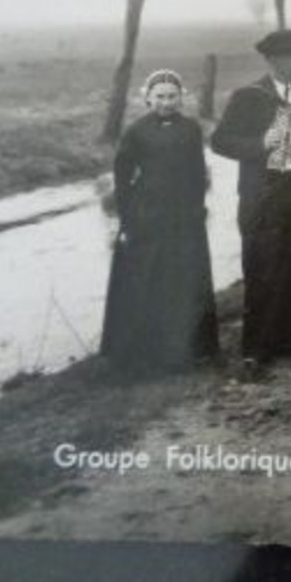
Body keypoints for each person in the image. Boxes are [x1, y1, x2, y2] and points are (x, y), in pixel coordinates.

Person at [210, 28, 291, 370]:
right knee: (261, 270)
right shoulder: (249, 96)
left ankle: (286, 339)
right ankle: (256, 349)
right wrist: (261, 144)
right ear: (276, 61)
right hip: (260, 198)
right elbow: (220, 141)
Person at [101, 69, 218, 376]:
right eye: (160, 97)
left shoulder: (191, 129)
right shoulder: (137, 131)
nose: (166, 102)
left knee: (183, 280)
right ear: (148, 99)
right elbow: (122, 176)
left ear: (181, 97)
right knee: (150, 280)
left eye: (172, 96)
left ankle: (185, 351)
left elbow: (197, 171)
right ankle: (146, 353)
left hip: (184, 215)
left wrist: (199, 206)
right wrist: (126, 217)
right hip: (148, 215)